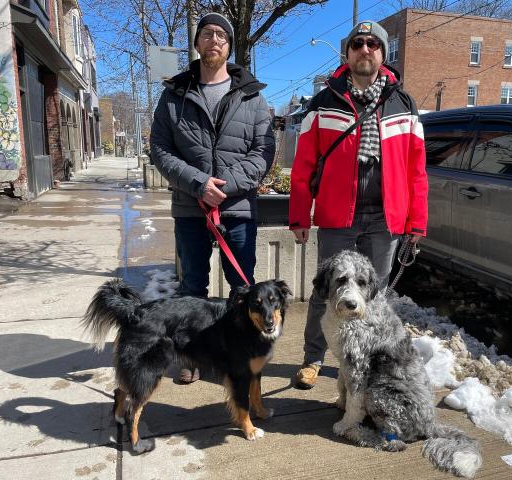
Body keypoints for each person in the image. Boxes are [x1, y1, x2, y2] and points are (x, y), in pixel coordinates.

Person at [289, 20, 428, 389]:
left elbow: (417, 171)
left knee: (374, 297)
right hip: (338, 216)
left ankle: (361, 361)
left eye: (372, 44)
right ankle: (313, 359)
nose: (365, 49)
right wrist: (299, 215)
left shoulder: (404, 103)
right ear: (348, 53)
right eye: (357, 44)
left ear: (383, 53)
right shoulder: (324, 101)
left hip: (386, 219)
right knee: (326, 291)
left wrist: (417, 222)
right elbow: (303, 165)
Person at [151, 12, 275, 384]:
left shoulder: (252, 97)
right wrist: (198, 183)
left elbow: (264, 151)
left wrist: (227, 186)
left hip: (236, 211)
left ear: (229, 45)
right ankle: (189, 355)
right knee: (191, 286)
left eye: (222, 35)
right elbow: (160, 149)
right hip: (190, 209)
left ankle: (241, 356)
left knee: (242, 287)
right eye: (207, 33)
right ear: (198, 43)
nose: (215, 40)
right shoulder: (174, 94)